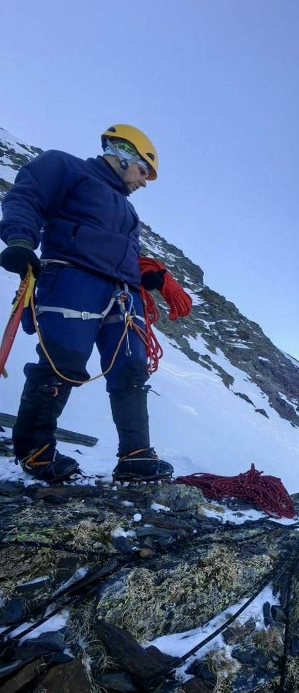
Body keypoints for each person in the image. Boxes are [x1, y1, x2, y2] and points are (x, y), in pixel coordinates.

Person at [0, 124, 173, 483]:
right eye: (143, 171)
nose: (144, 182)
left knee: (131, 371)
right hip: (72, 277)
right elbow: (26, 197)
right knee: (62, 363)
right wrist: (19, 240)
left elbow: (110, 248)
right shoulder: (66, 167)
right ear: (123, 152)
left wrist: (143, 278)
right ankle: (35, 449)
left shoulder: (126, 209)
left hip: (122, 293)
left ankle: (136, 456)